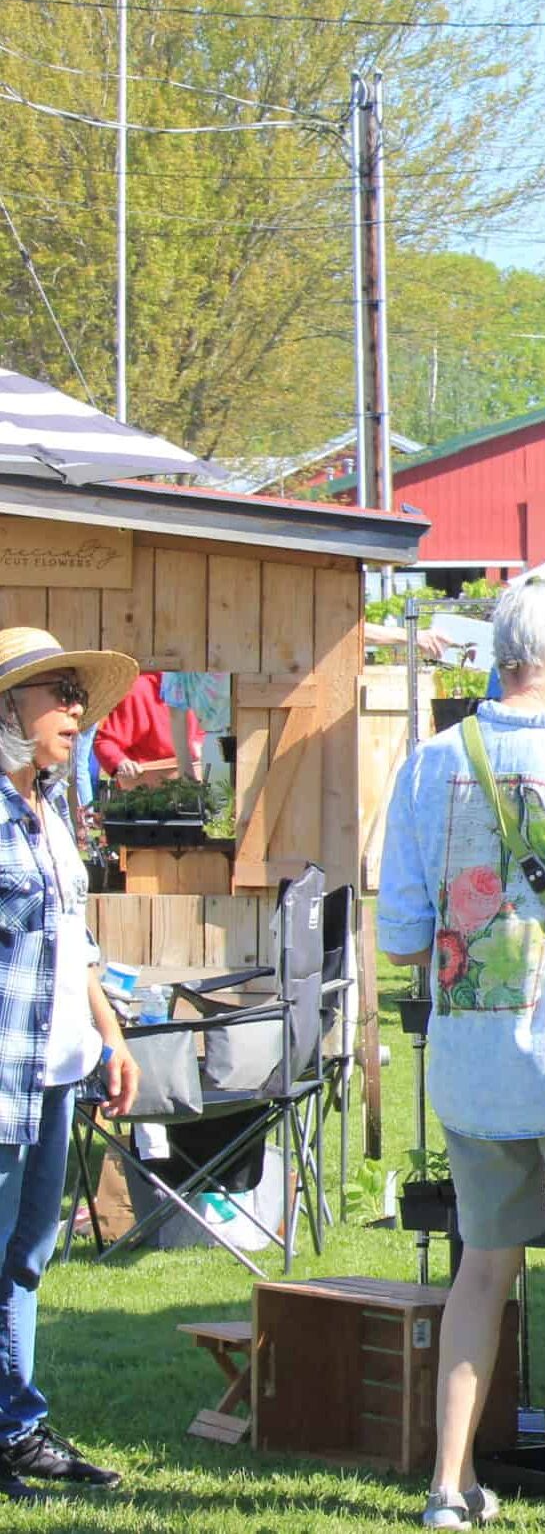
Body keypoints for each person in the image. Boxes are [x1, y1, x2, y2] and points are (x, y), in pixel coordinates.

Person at [377, 584, 545, 1534]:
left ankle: (449, 1486)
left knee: (480, 1271)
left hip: (472, 1065)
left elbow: (403, 938)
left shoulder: (427, 764)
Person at [0, 628, 139, 1498]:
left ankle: (16, 1431)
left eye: (75, 693)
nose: (75, 709)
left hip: (50, 1072)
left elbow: (73, 939)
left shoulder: (49, 808)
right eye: (55, 692)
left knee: (25, 1256)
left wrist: (110, 1037)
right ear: (6, 710)